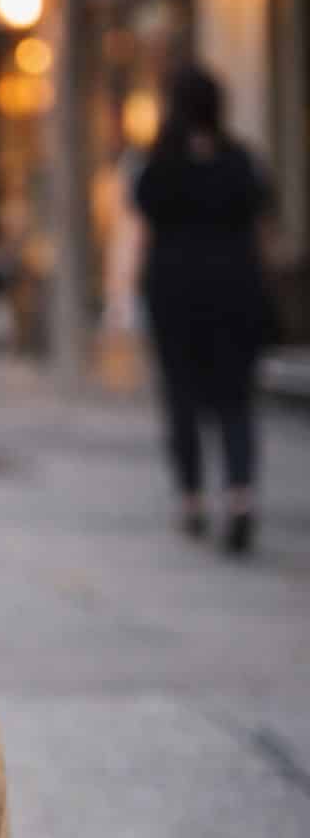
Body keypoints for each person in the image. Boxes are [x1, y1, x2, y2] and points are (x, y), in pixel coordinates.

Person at [132, 65, 277, 555]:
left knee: (182, 398)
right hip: (235, 290)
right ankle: (240, 496)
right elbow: (262, 230)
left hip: (175, 292)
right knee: (236, 401)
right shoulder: (240, 161)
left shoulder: (160, 165)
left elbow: (143, 233)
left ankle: (192, 500)